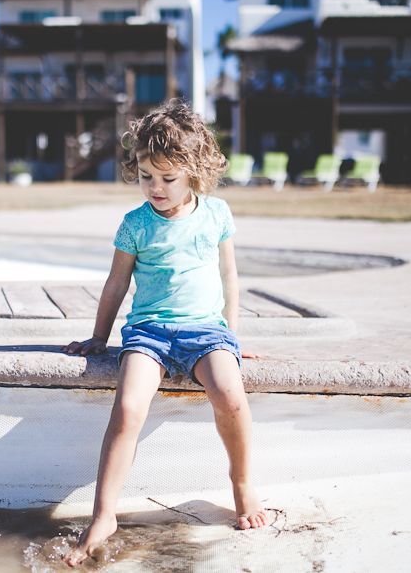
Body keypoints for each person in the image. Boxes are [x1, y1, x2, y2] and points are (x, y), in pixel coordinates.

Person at [62, 99, 267, 567]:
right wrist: (98, 337)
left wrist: (230, 337)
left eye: (167, 178)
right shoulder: (135, 224)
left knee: (232, 396)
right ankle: (104, 513)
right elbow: (116, 284)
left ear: (194, 171)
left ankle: (240, 483)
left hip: (205, 332)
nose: (155, 187)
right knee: (129, 405)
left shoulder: (216, 215)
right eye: (145, 176)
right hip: (149, 334)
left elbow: (229, 277)